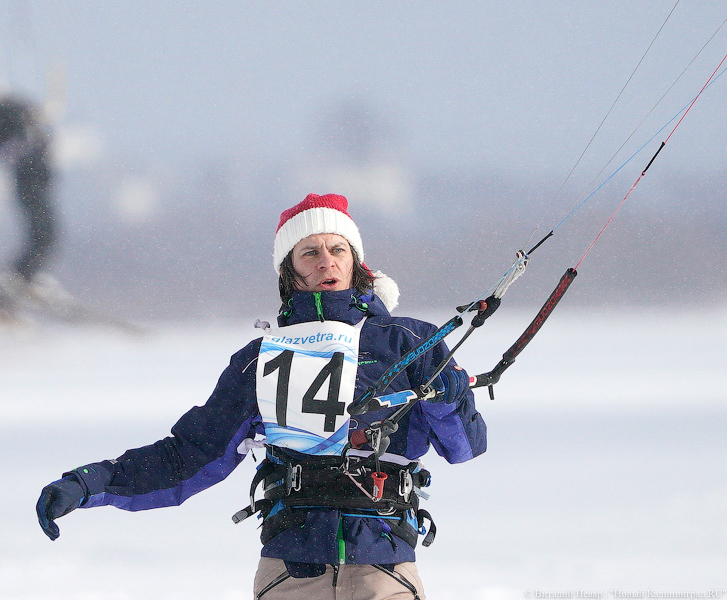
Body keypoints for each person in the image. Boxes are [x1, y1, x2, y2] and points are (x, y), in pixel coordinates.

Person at [36, 193, 487, 599]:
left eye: (338, 249)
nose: (326, 262)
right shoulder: (262, 359)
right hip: (290, 572)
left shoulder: (412, 342)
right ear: (289, 270)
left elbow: (464, 447)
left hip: (383, 569)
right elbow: (189, 456)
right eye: (309, 252)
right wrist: (91, 482)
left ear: (356, 263)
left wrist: (448, 400)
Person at [0, 94, 59, 314]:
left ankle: (23, 279)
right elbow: (30, 153)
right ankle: (17, 281)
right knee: (43, 237)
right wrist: (28, 114)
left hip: (34, 189)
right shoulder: (16, 134)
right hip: (31, 189)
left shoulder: (22, 137)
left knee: (44, 238)